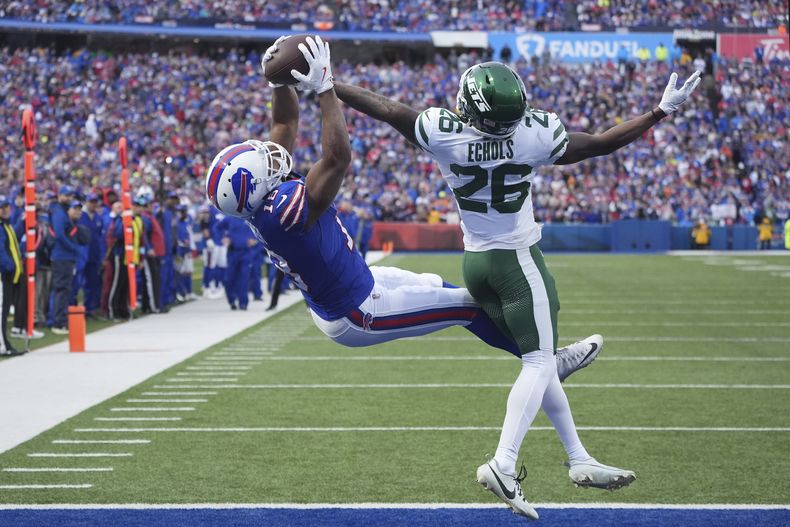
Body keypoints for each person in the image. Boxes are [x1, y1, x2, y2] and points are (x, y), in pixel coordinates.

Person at [334, 61, 701, 518]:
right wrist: (658, 112)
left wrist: (330, 85)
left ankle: (579, 458)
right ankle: (503, 463)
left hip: (476, 261)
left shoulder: (444, 132)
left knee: (539, 359)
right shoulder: (533, 135)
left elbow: (387, 108)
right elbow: (603, 143)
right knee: (539, 360)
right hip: (518, 261)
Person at [207, 35, 601, 460]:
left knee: (438, 284)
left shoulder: (263, 201)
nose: (269, 153)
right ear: (261, 188)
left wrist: (278, 82)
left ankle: (540, 359)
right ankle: (544, 360)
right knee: (468, 306)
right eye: (262, 162)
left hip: (353, 288)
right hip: (359, 311)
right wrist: (323, 91)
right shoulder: (284, 210)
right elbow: (337, 158)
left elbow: (282, 128)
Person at [50, 188, 86, 334]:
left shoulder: (62, 211)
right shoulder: (59, 212)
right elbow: (59, 234)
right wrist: (72, 248)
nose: (69, 197)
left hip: (65, 256)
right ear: (59, 196)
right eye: (66, 195)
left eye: (70, 195)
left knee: (64, 289)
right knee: (61, 289)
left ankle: (60, 321)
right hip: (62, 256)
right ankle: (58, 323)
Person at [212, 214, 258, 311]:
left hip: (246, 253)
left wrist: (256, 240)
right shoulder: (229, 218)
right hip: (232, 253)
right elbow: (216, 228)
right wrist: (222, 239)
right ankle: (231, 300)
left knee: (244, 278)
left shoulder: (250, 217)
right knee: (229, 278)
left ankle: (243, 302)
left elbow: (261, 231)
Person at [0, 197, 26, 356]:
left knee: (4, 310)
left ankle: (4, 344)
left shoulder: (6, 225)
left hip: (7, 275)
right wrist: (10, 267)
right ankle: (4, 346)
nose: (5, 209)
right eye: (2, 207)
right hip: (3, 275)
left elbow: (12, 242)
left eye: (6, 207)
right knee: (2, 311)